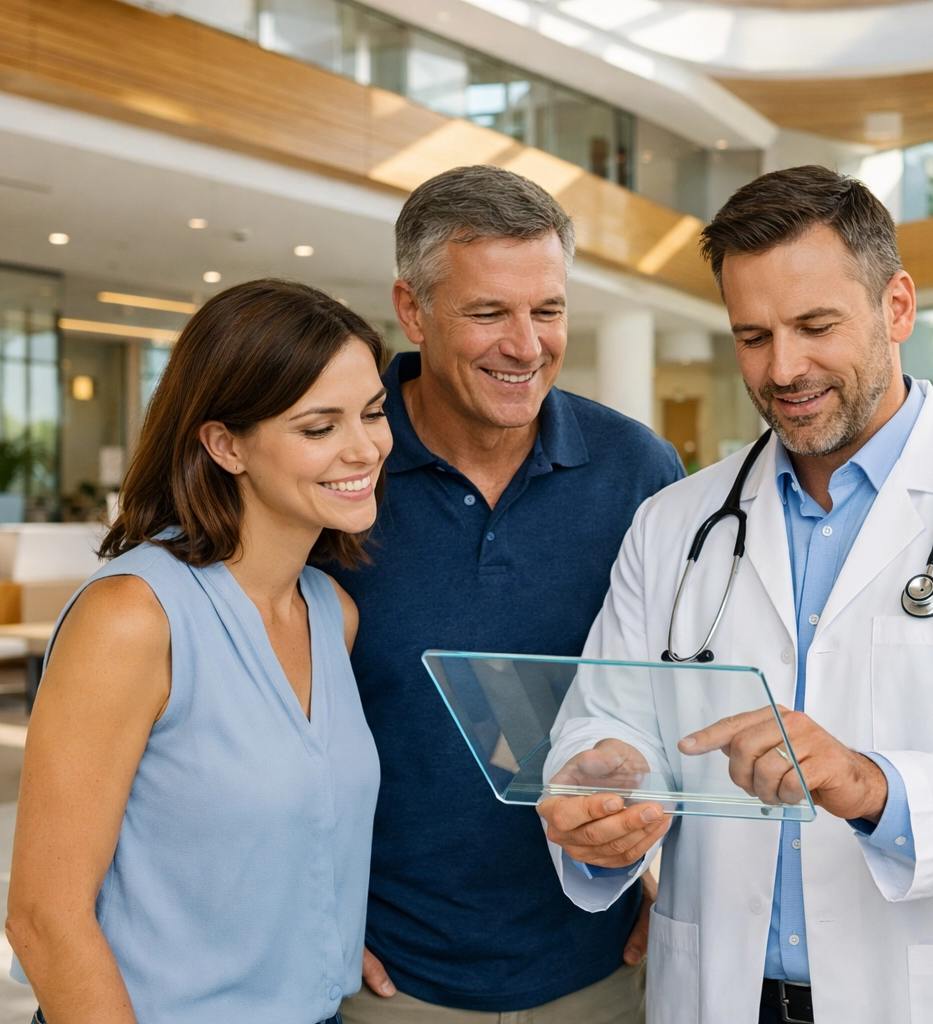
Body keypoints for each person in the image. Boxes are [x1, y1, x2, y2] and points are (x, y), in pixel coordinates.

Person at [536, 164, 933, 1024]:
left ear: (897, 307)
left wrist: (872, 785)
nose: (784, 368)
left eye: (816, 326)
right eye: (753, 336)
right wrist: (602, 791)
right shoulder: (674, 522)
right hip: (718, 993)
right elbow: (606, 718)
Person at [326, 165, 684, 1024]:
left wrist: (671, 882)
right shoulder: (337, 466)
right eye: (488, 312)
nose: (526, 346)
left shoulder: (638, 470)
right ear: (413, 310)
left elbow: (680, 692)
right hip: (389, 984)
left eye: (547, 310)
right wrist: (311, 914)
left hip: (600, 971)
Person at [5, 279, 390, 1024]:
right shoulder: (132, 618)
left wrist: (319, 942)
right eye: (319, 427)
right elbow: (44, 920)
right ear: (225, 444)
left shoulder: (330, 613)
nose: (364, 448)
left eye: (372, 413)